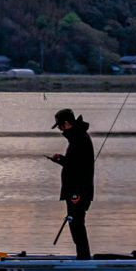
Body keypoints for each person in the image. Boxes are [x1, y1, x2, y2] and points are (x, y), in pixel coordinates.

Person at [49, 108, 95, 257]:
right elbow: (75, 163)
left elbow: (77, 166)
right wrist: (61, 159)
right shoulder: (78, 137)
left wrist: (60, 159)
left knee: (77, 224)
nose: (61, 130)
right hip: (77, 189)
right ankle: (83, 256)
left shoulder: (79, 138)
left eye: (60, 126)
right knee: (75, 223)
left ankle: (84, 258)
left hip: (78, 190)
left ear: (67, 123)